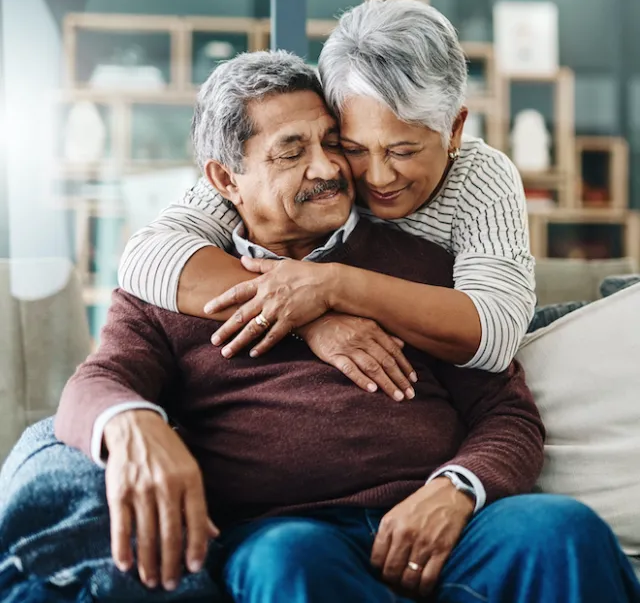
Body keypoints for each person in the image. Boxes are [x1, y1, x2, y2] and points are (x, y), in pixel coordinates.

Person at [2, 51, 640, 603]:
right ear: (226, 179)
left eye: (332, 142)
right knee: (291, 564)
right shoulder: (172, 285)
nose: (329, 169)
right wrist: (132, 425)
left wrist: (458, 489)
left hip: (443, 524)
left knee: (561, 531)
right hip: (287, 532)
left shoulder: (417, 267)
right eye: (291, 152)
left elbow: (508, 413)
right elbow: (94, 384)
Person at [117, 0, 535, 384]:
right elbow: (146, 257)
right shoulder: (315, 166)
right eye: (352, 147)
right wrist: (309, 316)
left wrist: (333, 286)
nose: (377, 177)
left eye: (403, 150)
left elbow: (497, 335)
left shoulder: (481, 178)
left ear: (454, 129)